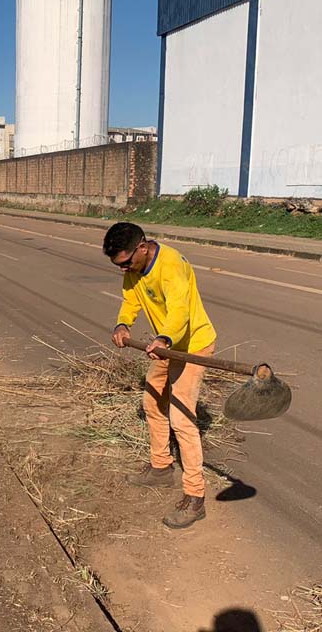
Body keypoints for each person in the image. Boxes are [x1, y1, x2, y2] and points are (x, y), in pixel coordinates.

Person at [103, 222, 217, 529]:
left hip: (190, 346)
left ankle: (195, 498)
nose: (123, 269)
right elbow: (131, 300)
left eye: (126, 262)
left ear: (142, 248)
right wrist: (123, 324)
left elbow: (180, 310)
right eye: (119, 265)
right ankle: (161, 467)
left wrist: (165, 338)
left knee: (181, 418)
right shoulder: (133, 270)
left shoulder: (170, 266)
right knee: (152, 403)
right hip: (165, 345)